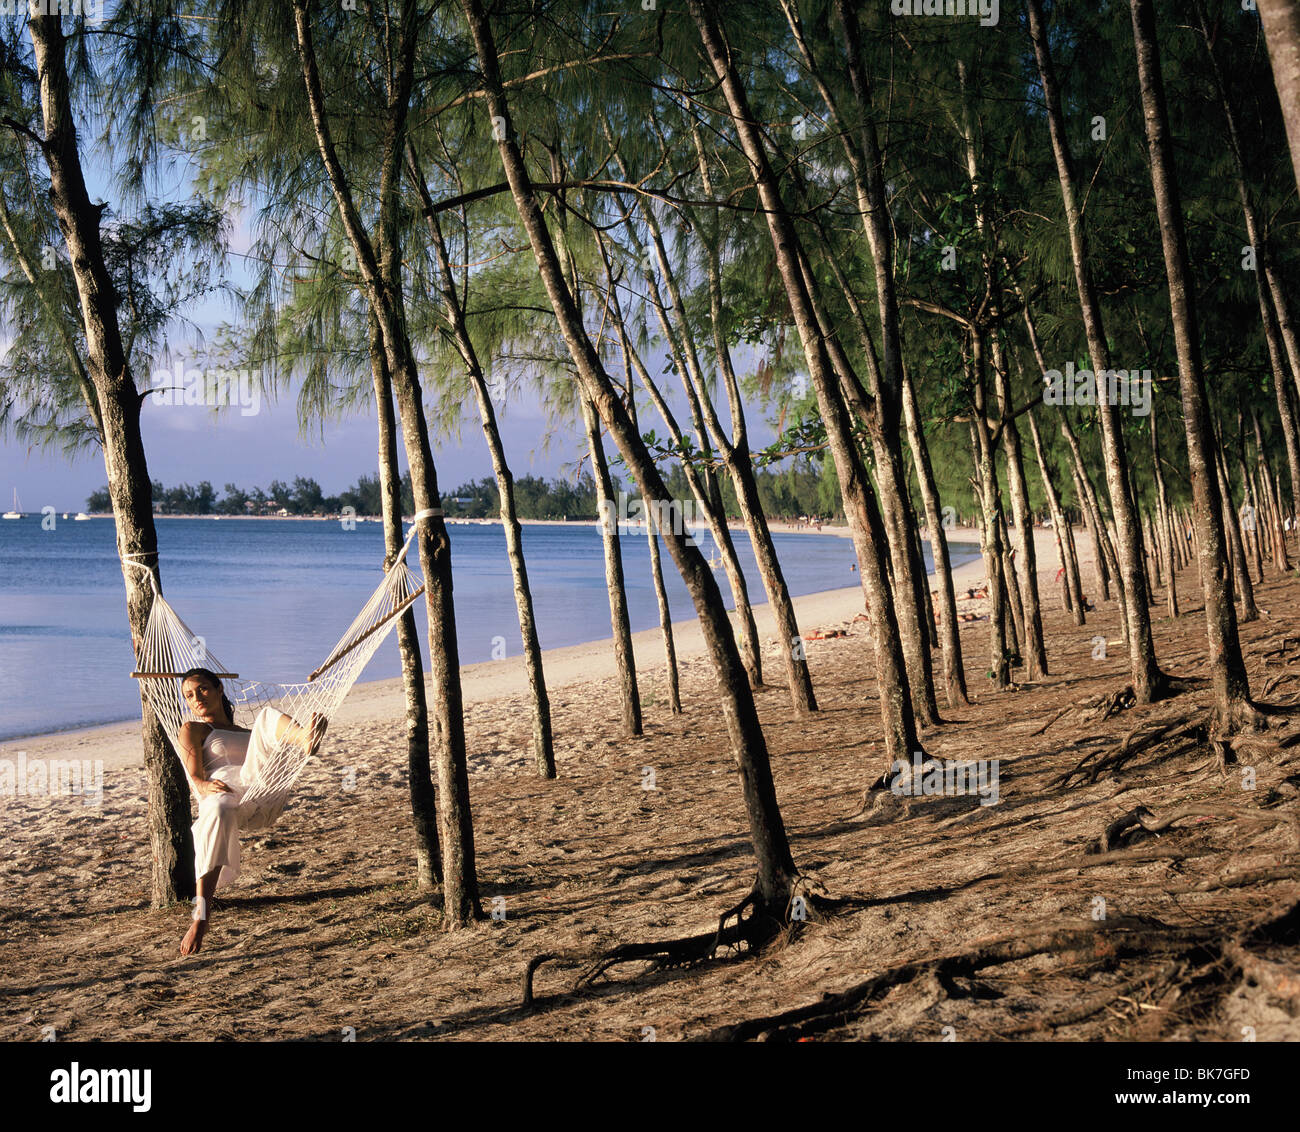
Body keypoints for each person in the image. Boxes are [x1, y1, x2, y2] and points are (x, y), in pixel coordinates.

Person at [177, 667, 326, 956]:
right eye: (189, 695)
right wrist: (204, 787)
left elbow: (265, 750)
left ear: (220, 689)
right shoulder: (193, 729)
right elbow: (194, 777)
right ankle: (201, 916)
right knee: (218, 808)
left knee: (268, 716)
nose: (196, 698)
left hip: (258, 792)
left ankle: (305, 739)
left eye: (203, 689)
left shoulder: (249, 734)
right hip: (221, 795)